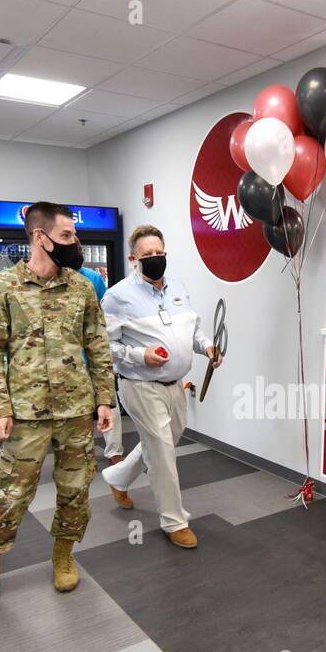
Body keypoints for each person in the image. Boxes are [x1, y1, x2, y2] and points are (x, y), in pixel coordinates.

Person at [0, 202, 115, 614]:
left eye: (74, 235)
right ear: (40, 237)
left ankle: (63, 555)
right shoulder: (4, 287)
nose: (75, 243)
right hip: (25, 413)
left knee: (75, 489)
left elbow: (97, 346)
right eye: (67, 236)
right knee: (10, 495)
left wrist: (105, 398)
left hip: (75, 411)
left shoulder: (83, 287)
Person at [101, 224, 221, 549]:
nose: (155, 259)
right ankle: (173, 520)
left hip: (174, 384)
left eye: (159, 253)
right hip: (139, 385)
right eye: (147, 255)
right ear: (132, 259)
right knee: (163, 453)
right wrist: (141, 354)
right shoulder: (117, 297)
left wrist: (208, 347)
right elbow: (103, 346)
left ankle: (117, 477)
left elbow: (192, 330)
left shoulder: (179, 289)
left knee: (165, 441)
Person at [78, 261, 125, 465]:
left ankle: (114, 451)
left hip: (96, 352)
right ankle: (82, 451)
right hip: (68, 361)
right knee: (78, 409)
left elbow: (105, 315)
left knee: (108, 402)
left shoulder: (92, 278)